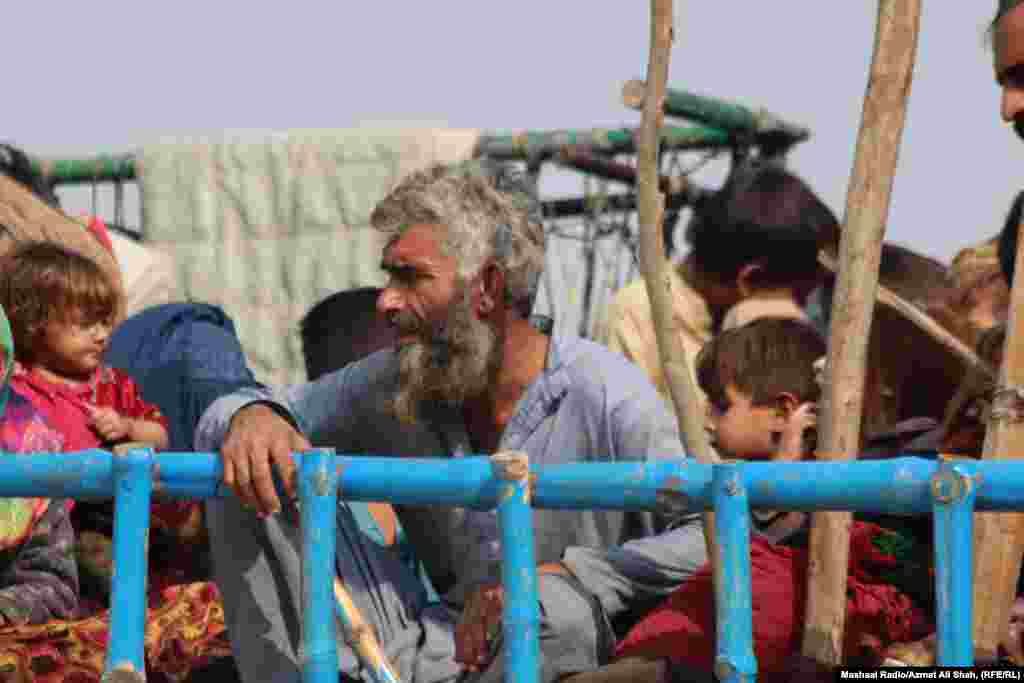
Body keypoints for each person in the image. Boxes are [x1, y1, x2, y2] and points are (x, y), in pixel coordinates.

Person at [194, 161, 697, 683]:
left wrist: (568, 574)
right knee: (250, 464)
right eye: (389, 276)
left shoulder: (605, 391)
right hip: (425, 646)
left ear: (487, 286)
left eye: (410, 278)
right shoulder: (398, 377)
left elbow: (711, 538)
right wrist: (254, 415)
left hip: (541, 645)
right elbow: (252, 409)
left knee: (554, 613)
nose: (385, 300)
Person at [612, 318, 933, 681]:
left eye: (721, 405)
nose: (706, 419)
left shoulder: (877, 469)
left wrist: (784, 476)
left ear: (784, 413)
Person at [594, 158, 836, 408]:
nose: (803, 308)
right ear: (750, 280)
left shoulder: (783, 338)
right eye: (799, 295)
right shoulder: (639, 318)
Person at [0, 242, 169, 453]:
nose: (102, 335)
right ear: (33, 322)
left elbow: (162, 436)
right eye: (87, 323)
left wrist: (129, 427)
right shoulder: (12, 383)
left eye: (105, 322)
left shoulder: (114, 385)